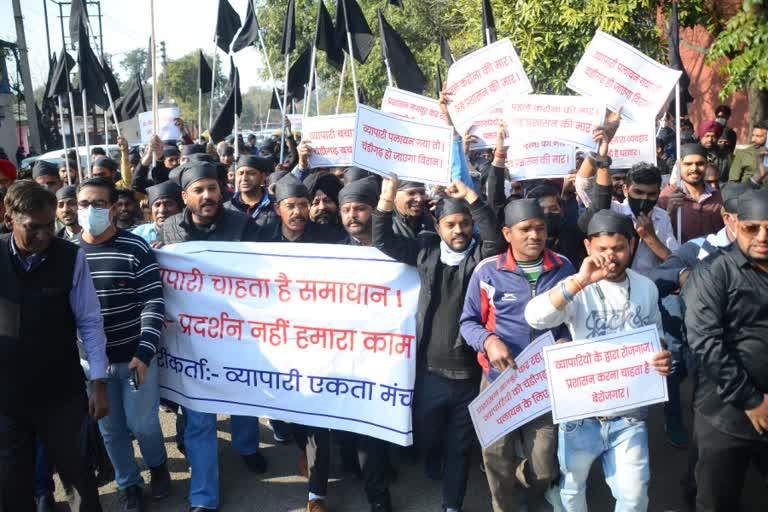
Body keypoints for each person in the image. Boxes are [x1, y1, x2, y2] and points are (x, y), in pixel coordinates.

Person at [524, 210, 672, 512]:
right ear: (588, 247)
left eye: (618, 248)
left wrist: (662, 357)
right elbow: (535, 317)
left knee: (634, 497)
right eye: (602, 249)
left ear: (631, 245)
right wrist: (580, 281)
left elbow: (656, 335)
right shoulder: (577, 286)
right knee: (571, 491)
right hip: (581, 417)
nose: (611, 257)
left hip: (629, 416)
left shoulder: (646, 287)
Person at [373, 174, 502, 512]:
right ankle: (432, 460)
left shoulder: (483, 259)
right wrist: (386, 199)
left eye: (464, 224)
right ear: (438, 225)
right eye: (450, 224)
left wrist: (473, 198)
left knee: (459, 447)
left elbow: (492, 237)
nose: (458, 231)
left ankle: (451, 505)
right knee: (428, 437)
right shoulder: (424, 249)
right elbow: (382, 239)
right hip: (429, 373)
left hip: (470, 375)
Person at [157, 162, 266, 512]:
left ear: (222, 191)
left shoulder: (243, 225)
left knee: (243, 394)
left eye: (212, 189)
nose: (207, 196)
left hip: (237, 335)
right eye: (199, 190)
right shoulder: (169, 230)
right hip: (192, 341)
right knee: (200, 416)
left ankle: (247, 447)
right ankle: (204, 497)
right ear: (185, 196)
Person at [1, 180, 108, 511]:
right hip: (6, 396)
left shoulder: (70, 257)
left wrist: (99, 383)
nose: (45, 236)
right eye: (33, 228)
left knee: (78, 475)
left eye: (50, 226)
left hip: (60, 391)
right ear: (9, 220)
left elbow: (89, 321)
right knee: (10, 481)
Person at [460, 199, 574, 511]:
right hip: (499, 380)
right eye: (525, 229)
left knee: (544, 468)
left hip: (544, 382)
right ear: (508, 233)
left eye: (540, 228)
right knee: (496, 456)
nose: (534, 235)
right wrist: (489, 341)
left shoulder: (564, 267)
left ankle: (520, 481)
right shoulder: (488, 271)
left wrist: (565, 340)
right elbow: (468, 322)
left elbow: (573, 318)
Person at [73, 177, 171, 512]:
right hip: (93, 366)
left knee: (142, 424)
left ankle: (158, 465)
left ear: (114, 208)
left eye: (99, 204)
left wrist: (144, 354)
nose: (91, 210)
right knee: (110, 430)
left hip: (134, 359)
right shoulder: (69, 254)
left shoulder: (135, 247)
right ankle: (129, 483)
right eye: (84, 203)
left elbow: (153, 303)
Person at [682, 189, 768, 512]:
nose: (762, 237)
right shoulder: (712, 273)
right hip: (726, 414)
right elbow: (705, 342)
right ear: (736, 225)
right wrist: (753, 401)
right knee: (718, 500)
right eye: (752, 228)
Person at [657, 143, 724, 243]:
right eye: (688, 164)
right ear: (679, 166)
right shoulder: (666, 197)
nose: (694, 169)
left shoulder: (718, 197)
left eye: (700, 164)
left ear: (706, 164)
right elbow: (658, 234)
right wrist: (669, 212)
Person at [258, 175, 344, 243]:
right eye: (290, 206)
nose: (297, 212)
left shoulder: (328, 237)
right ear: (277, 209)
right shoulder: (263, 236)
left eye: (303, 205)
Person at [525, 184, 586, 268]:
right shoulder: (524, 240)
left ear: (561, 210)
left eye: (553, 209)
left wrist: (583, 184)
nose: (547, 213)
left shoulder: (572, 234)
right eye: (541, 210)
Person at [223, 155, 276, 228]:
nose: (244, 178)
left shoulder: (276, 206)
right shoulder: (226, 208)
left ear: (263, 176)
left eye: (251, 173)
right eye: (240, 173)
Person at [729, 120, 768, 187]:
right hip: (748, 195)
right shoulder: (743, 154)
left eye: (758, 136)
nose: (753, 139)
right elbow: (732, 184)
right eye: (753, 135)